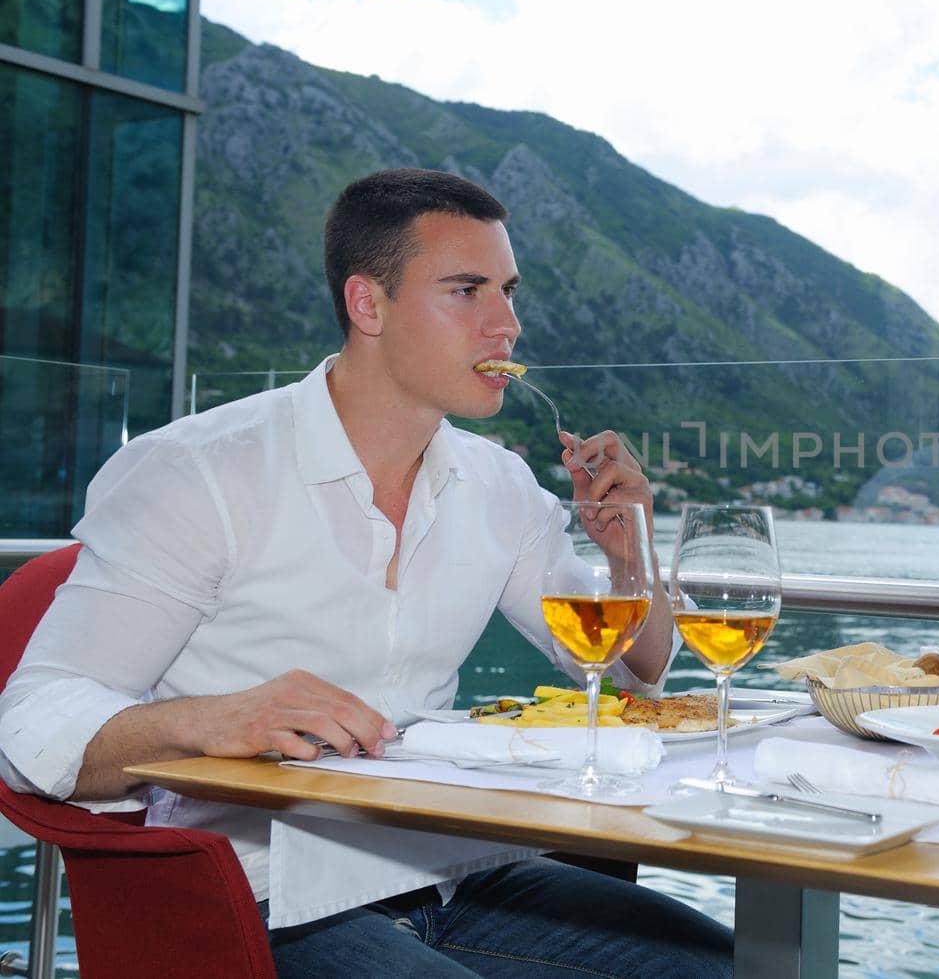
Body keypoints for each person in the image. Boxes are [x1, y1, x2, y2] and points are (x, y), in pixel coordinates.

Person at [0, 169, 734, 977]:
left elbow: (637, 670)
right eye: (467, 290)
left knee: (734, 967)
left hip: (455, 871)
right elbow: (31, 720)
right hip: (258, 893)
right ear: (367, 304)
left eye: (510, 291)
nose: (508, 324)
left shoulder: (501, 489)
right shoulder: (198, 473)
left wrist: (631, 551)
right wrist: (214, 718)